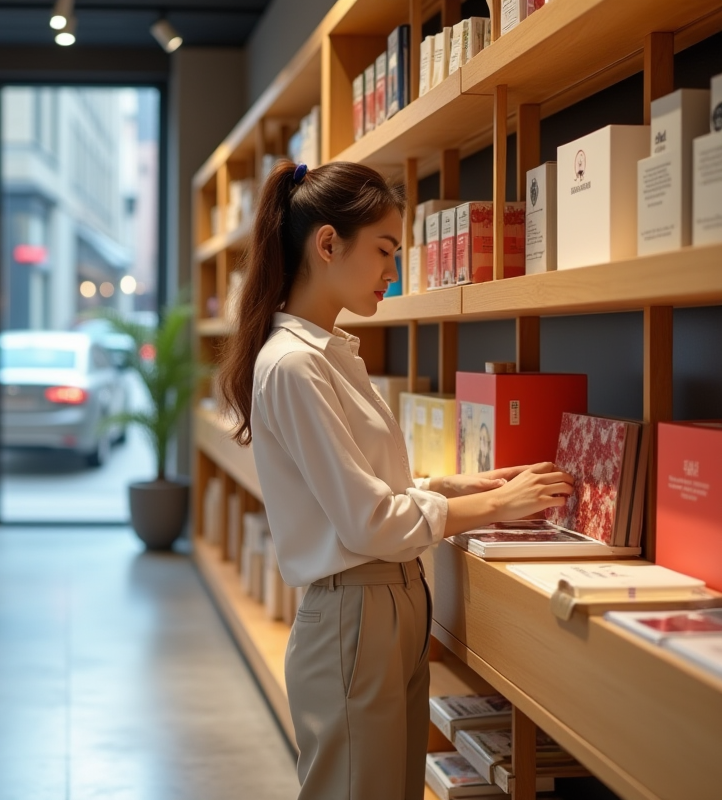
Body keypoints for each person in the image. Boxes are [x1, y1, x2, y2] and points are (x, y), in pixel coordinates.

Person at [215, 161, 573, 800]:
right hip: (358, 611)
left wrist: (456, 488)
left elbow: (367, 488)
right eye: (385, 250)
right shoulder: (296, 365)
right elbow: (368, 522)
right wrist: (494, 504)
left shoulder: (329, 354)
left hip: (388, 604)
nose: (394, 271)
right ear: (327, 245)